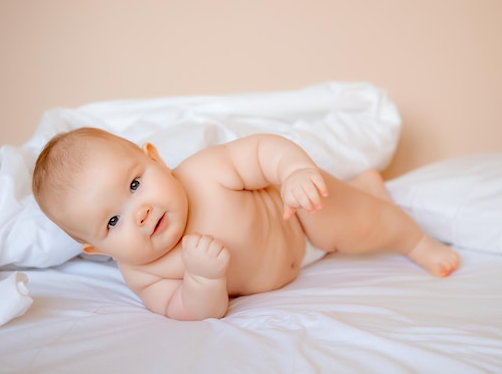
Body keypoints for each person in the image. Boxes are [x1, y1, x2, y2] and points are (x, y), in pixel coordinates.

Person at [32, 128, 460, 321]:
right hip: (292, 258)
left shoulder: (202, 173)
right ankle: (367, 187)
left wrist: (293, 173)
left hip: (298, 217)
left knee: (362, 224)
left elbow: (259, 151)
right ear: (97, 250)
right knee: (358, 211)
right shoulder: (143, 272)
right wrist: (201, 279)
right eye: (112, 220)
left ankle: (415, 241)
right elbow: (191, 312)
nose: (139, 211)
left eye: (135, 184)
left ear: (156, 159)